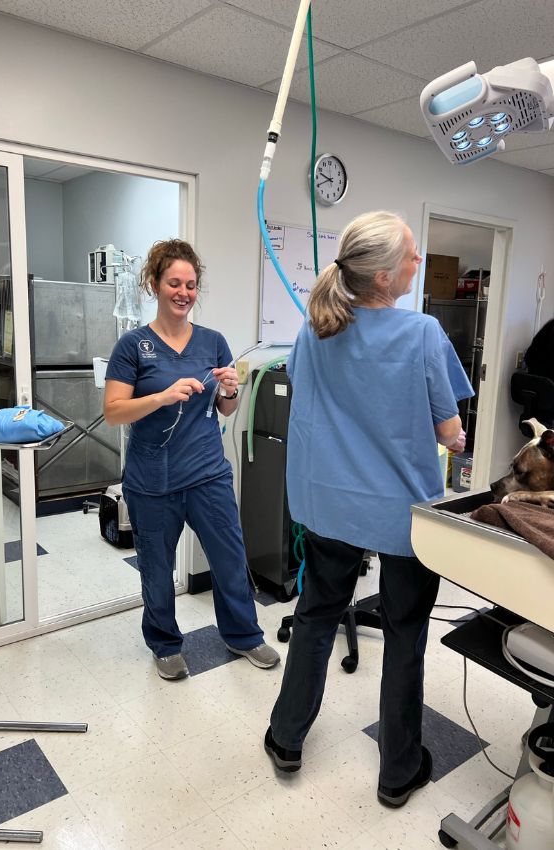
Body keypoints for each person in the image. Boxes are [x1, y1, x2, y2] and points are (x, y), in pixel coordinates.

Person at [264, 211, 473, 807]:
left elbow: (310, 397)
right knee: (405, 634)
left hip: (328, 503)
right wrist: (453, 441)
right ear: (383, 275)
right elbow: (451, 431)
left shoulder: (316, 331)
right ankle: (398, 770)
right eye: (411, 254)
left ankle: (285, 739)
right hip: (402, 514)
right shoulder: (423, 334)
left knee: (315, 617)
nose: (417, 261)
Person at [104, 239, 279, 680]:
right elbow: (113, 412)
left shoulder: (213, 342)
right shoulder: (133, 346)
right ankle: (164, 644)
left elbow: (225, 409)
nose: (183, 292)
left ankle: (244, 635)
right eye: (174, 283)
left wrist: (230, 389)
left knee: (229, 558)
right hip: (152, 480)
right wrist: (162, 395)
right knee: (157, 569)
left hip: (207, 473)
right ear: (156, 284)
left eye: (191, 285)